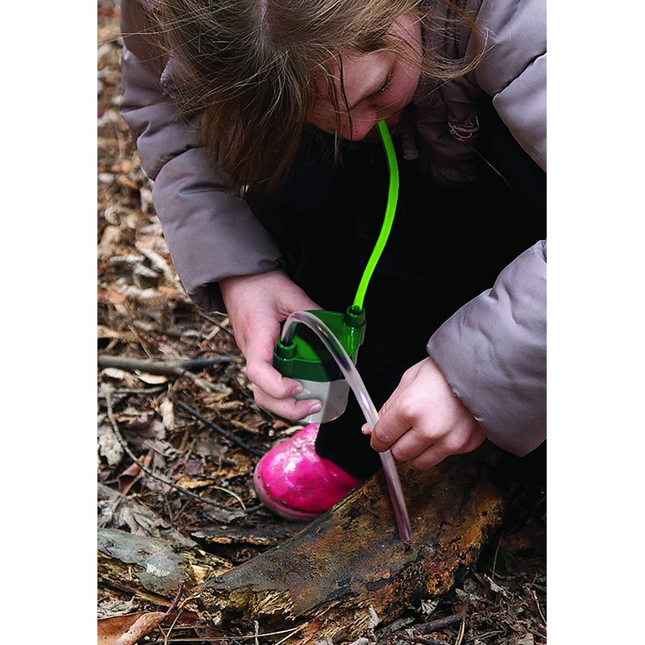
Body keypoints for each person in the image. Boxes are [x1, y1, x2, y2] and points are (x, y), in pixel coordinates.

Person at [118, 0, 546, 520]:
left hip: (508, 160)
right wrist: (242, 268)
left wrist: (486, 366)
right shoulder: (178, 10)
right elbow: (168, 108)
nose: (355, 132)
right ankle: (367, 417)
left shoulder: (526, 18)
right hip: (419, 156)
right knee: (300, 169)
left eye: (378, 87)